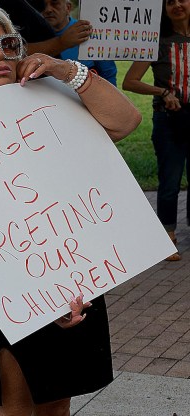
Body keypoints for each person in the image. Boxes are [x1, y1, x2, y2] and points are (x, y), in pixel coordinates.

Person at [0, 4, 140, 415]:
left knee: (58, 404)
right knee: (12, 406)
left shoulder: (51, 101)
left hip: (73, 283)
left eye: (8, 44)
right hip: (3, 300)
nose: (1, 56)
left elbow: (125, 121)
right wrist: (36, 299)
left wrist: (66, 71)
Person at [122, 0, 189, 262]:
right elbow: (130, 81)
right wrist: (162, 91)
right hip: (169, 119)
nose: (176, 5)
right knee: (170, 180)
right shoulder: (155, 42)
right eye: (170, 2)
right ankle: (168, 236)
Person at [41, 0, 118, 85]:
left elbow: (108, 73)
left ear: (68, 7)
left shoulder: (87, 31)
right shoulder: (31, 36)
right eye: (43, 5)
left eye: (55, 3)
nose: (48, 10)